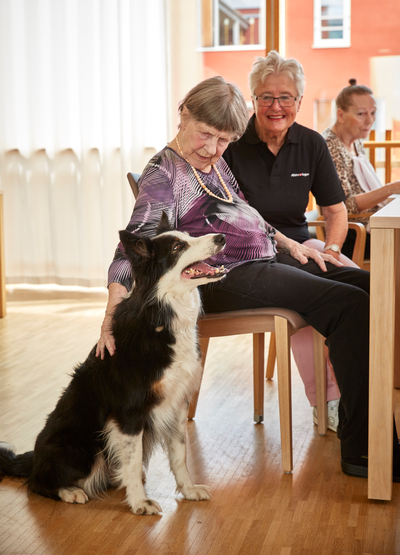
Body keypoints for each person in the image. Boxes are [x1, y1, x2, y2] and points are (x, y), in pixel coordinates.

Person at [96, 76, 400, 481]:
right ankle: (365, 450)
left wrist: (294, 246)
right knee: (351, 305)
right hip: (224, 277)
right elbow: (131, 249)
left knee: (369, 286)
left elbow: (245, 212)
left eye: (223, 141)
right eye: (206, 135)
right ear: (183, 114)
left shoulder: (214, 162)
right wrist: (110, 315)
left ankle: (368, 427)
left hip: (265, 260)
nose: (213, 149)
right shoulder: (164, 175)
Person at [223, 51, 351, 430]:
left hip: (301, 245)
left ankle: (361, 391)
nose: (275, 106)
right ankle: (328, 401)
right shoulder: (230, 146)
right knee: (311, 294)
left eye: (285, 97)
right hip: (250, 255)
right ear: (253, 100)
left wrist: (331, 249)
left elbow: (336, 211)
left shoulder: (311, 144)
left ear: (298, 101)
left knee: (353, 280)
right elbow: (232, 220)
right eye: (266, 97)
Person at [322, 79, 400, 259]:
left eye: (373, 113)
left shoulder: (356, 142)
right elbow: (345, 205)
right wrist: (391, 188)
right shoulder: (328, 145)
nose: (370, 120)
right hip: (352, 233)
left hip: (371, 226)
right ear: (340, 115)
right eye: (361, 114)